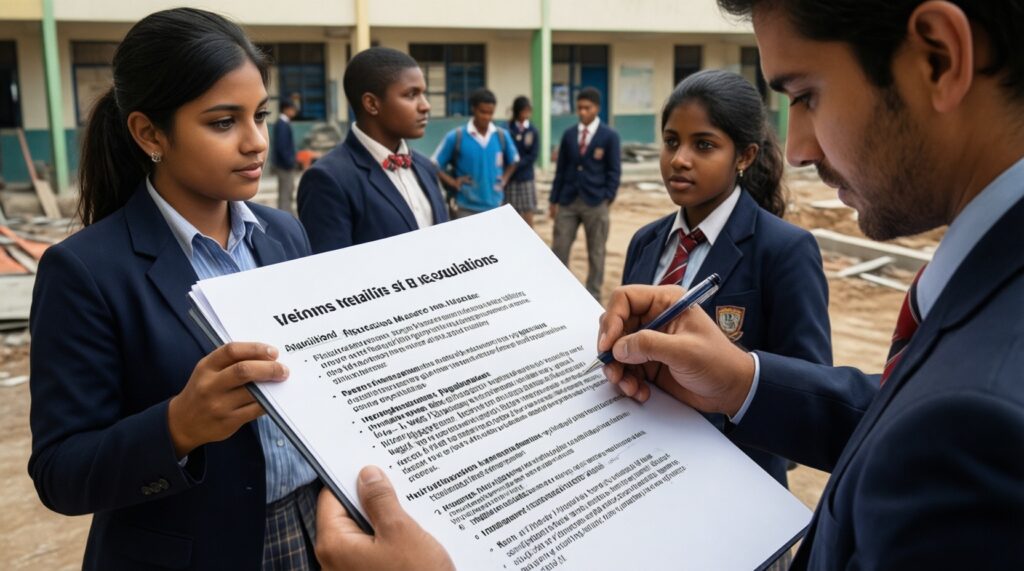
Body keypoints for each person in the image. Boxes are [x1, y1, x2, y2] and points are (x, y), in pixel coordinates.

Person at [312, 1, 1024, 569]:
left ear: (938, 57)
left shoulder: (978, 426)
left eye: (806, 95)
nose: (800, 148)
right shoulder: (984, 288)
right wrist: (742, 379)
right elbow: (889, 414)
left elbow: (935, 429)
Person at [27, 9, 321, 570]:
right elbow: (60, 473)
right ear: (149, 133)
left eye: (259, 115)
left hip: (313, 532)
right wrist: (177, 426)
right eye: (221, 122)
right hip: (194, 552)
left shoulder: (283, 234)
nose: (255, 141)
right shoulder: (85, 271)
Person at [622, 69, 831, 494]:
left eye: (704, 145)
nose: (680, 158)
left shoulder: (784, 250)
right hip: (645, 479)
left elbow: (809, 395)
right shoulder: (645, 242)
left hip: (737, 489)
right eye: (671, 141)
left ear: (745, 156)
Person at [297, 47, 447, 253]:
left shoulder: (425, 167)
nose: (425, 106)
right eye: (411, 95)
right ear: (372, 104)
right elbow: (331, 274)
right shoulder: (328, 179)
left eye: (423, 94)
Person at [550, 86, 621, 300]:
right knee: (559, 249)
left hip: (595, 201)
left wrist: (607, 197)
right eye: (579, 108)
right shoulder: (569, 135)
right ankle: (556, 293)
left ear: (597, 108)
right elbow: (561, 169)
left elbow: (614, 170)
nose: (582, 112)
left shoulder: (609, 136)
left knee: (596, 252)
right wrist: (554, 200)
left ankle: (594, 295)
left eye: (587, 108)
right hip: (568, 200)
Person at [432, 87, 519, 219]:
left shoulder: (501, 136)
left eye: (490, 113)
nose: (486, 117)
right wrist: (452, 182)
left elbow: (514, 160)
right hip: (465, 208)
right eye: (482, 112)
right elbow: (433, 164)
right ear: (473, 109)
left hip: (495, 205)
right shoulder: (456, 137)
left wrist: (504, 179)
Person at [504, 95, 540, 227]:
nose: (526, 114)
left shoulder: (533, 131)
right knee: (512, 211)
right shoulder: (507, 129)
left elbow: (533, 155)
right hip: (510, 178)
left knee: (528, 209)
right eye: (523, 111)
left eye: (528, 111)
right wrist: (510, 166)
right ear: (517, 111)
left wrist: (517, 164)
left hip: (526, 177)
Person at [272, 99, 298, 213]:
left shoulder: (284, 123)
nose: (294, 112)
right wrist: (289, 163)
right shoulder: (282, 124)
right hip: (284, 165)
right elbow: (282, 147)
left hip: (285, 164)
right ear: (286, 109)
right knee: (285, 193)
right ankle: (284, 218)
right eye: (293, 109)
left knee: (288, 191)